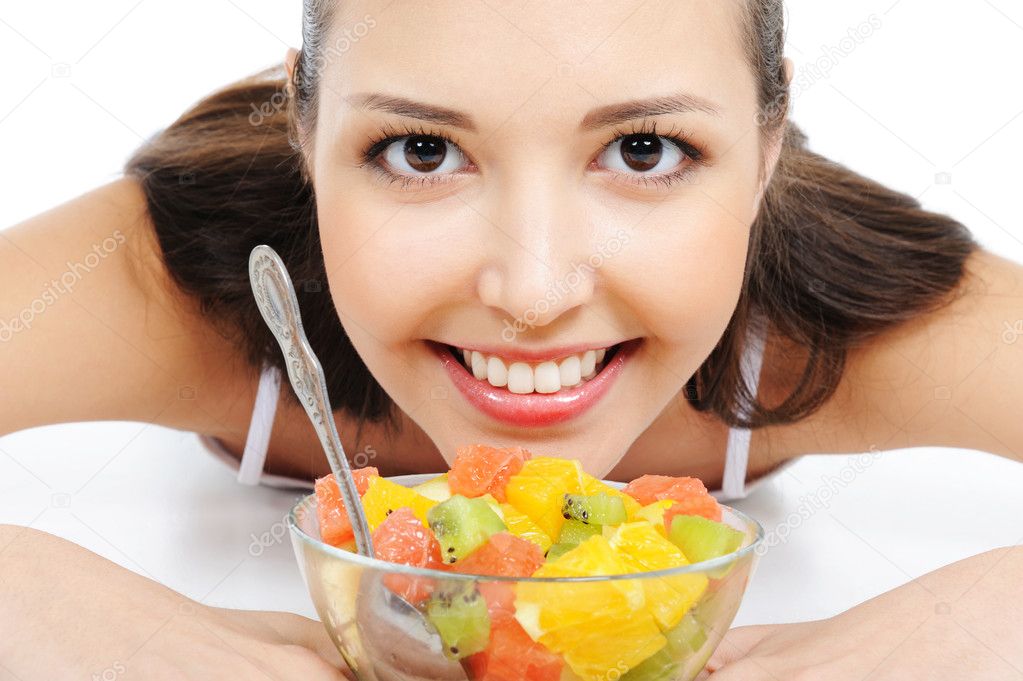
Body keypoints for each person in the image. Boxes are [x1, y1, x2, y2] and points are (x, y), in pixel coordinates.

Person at [1, 1, 1021, 678]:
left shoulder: (829, 329)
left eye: (644, 149)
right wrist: (55, 606)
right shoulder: (191, 281)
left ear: (765, 149)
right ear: (305, 135)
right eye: (423, 149)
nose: (532, 293)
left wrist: (961, 629)